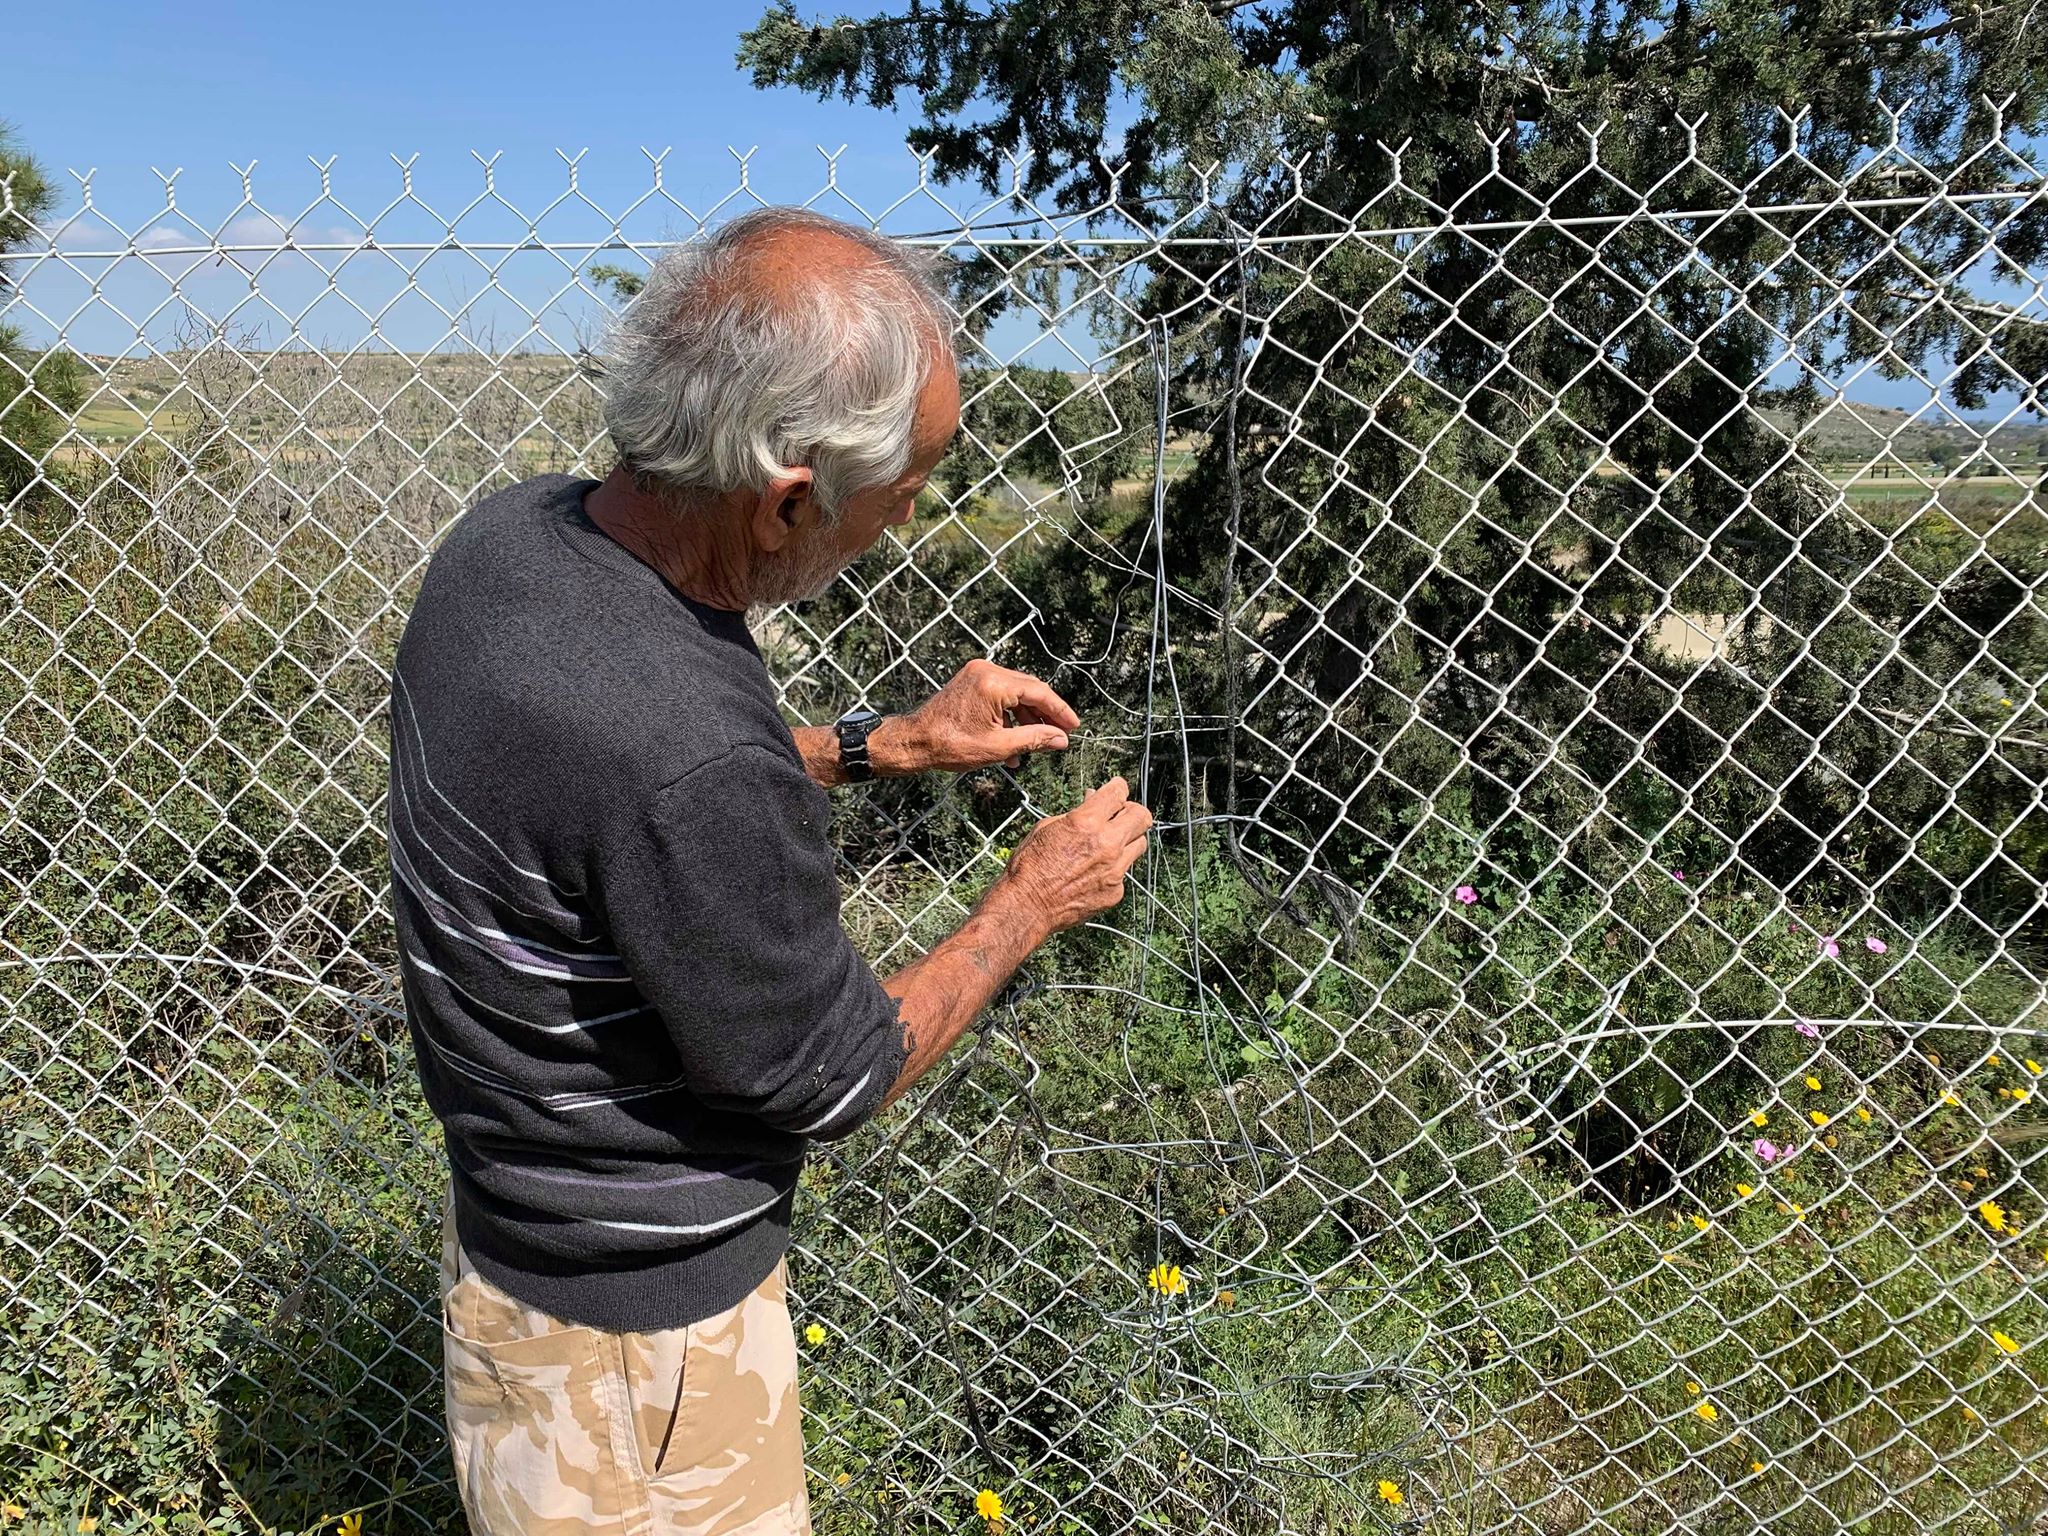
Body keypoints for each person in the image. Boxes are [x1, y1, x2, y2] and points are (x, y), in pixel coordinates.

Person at [386, 205, 1151, 1535]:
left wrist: (885, 742)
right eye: (903, 493)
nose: (902, 524)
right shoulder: (683, 747)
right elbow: (831, 1073)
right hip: (639, 1380)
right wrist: (1030, 901)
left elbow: (614, 813)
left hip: (515, 1273)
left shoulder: (508, 548)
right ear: (793, 494)